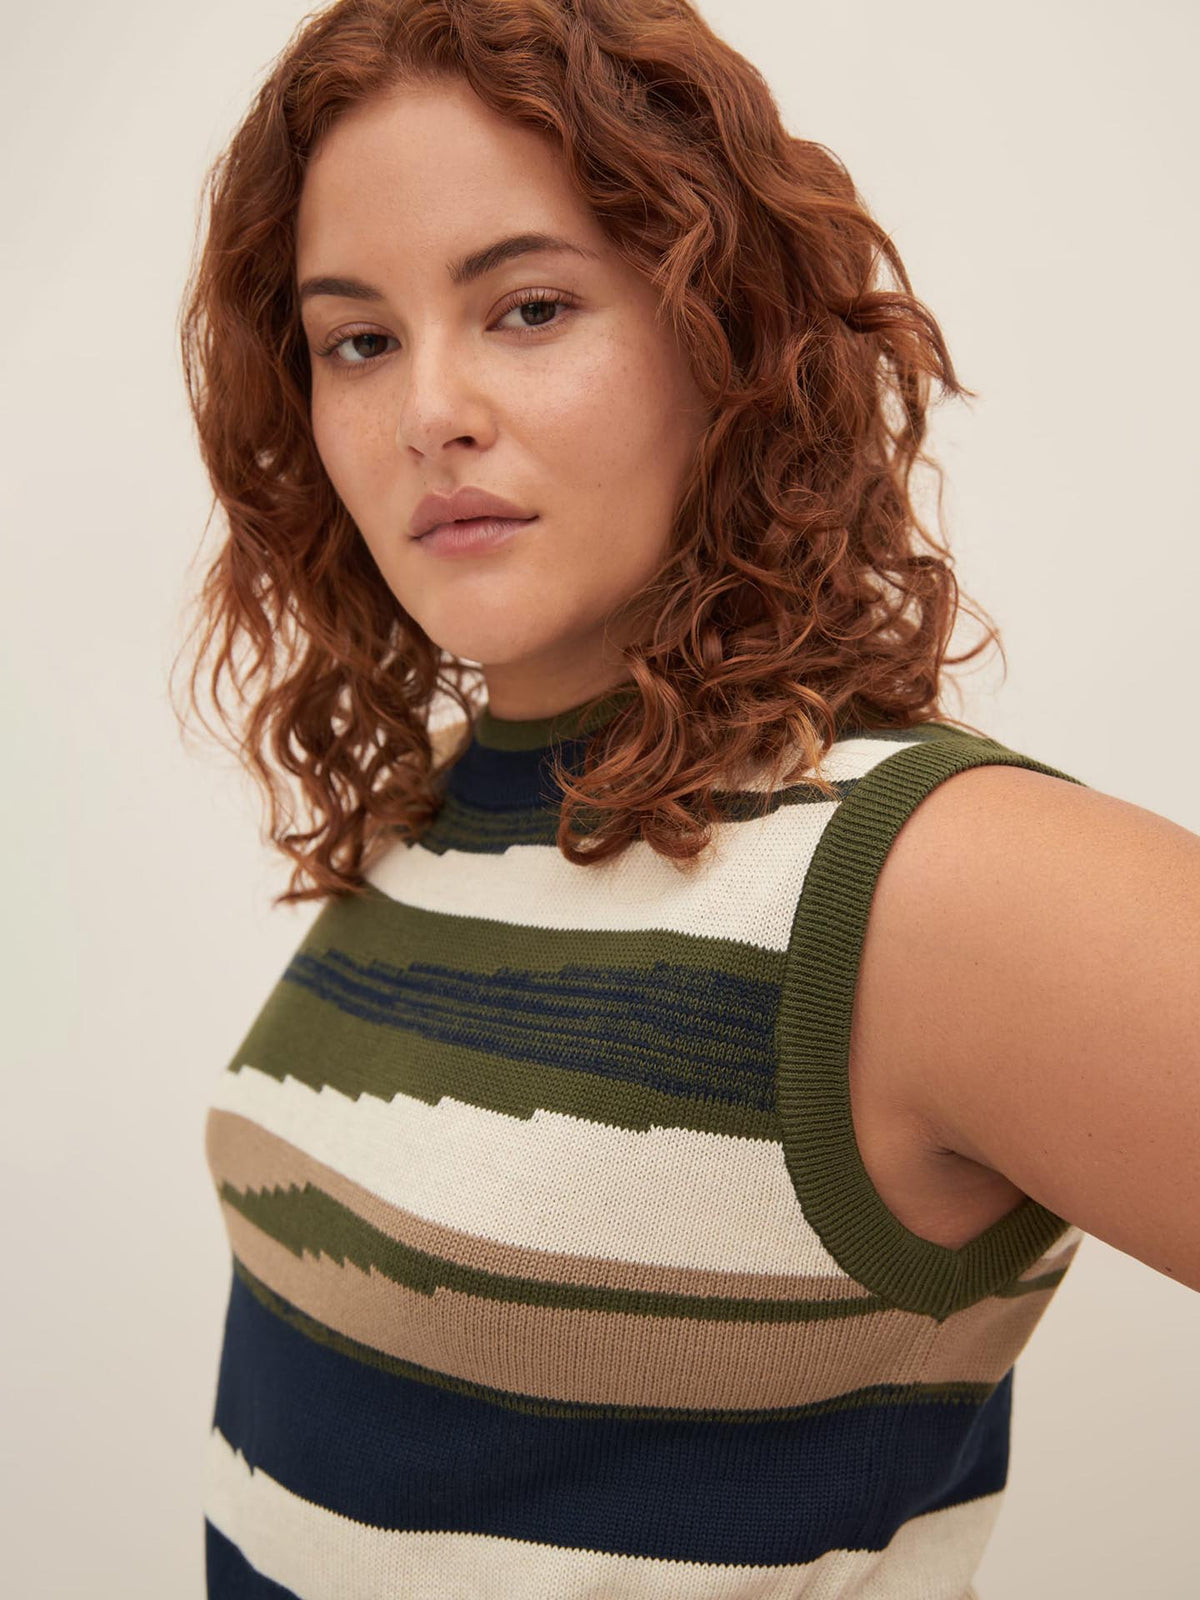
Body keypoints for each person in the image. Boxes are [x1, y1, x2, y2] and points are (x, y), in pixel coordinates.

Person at [175, 2, 1200, 1596]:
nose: (425, 406)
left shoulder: (910, 878)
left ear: (720, 328)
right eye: (357, 338)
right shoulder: (441, 819)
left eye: (526, 306)